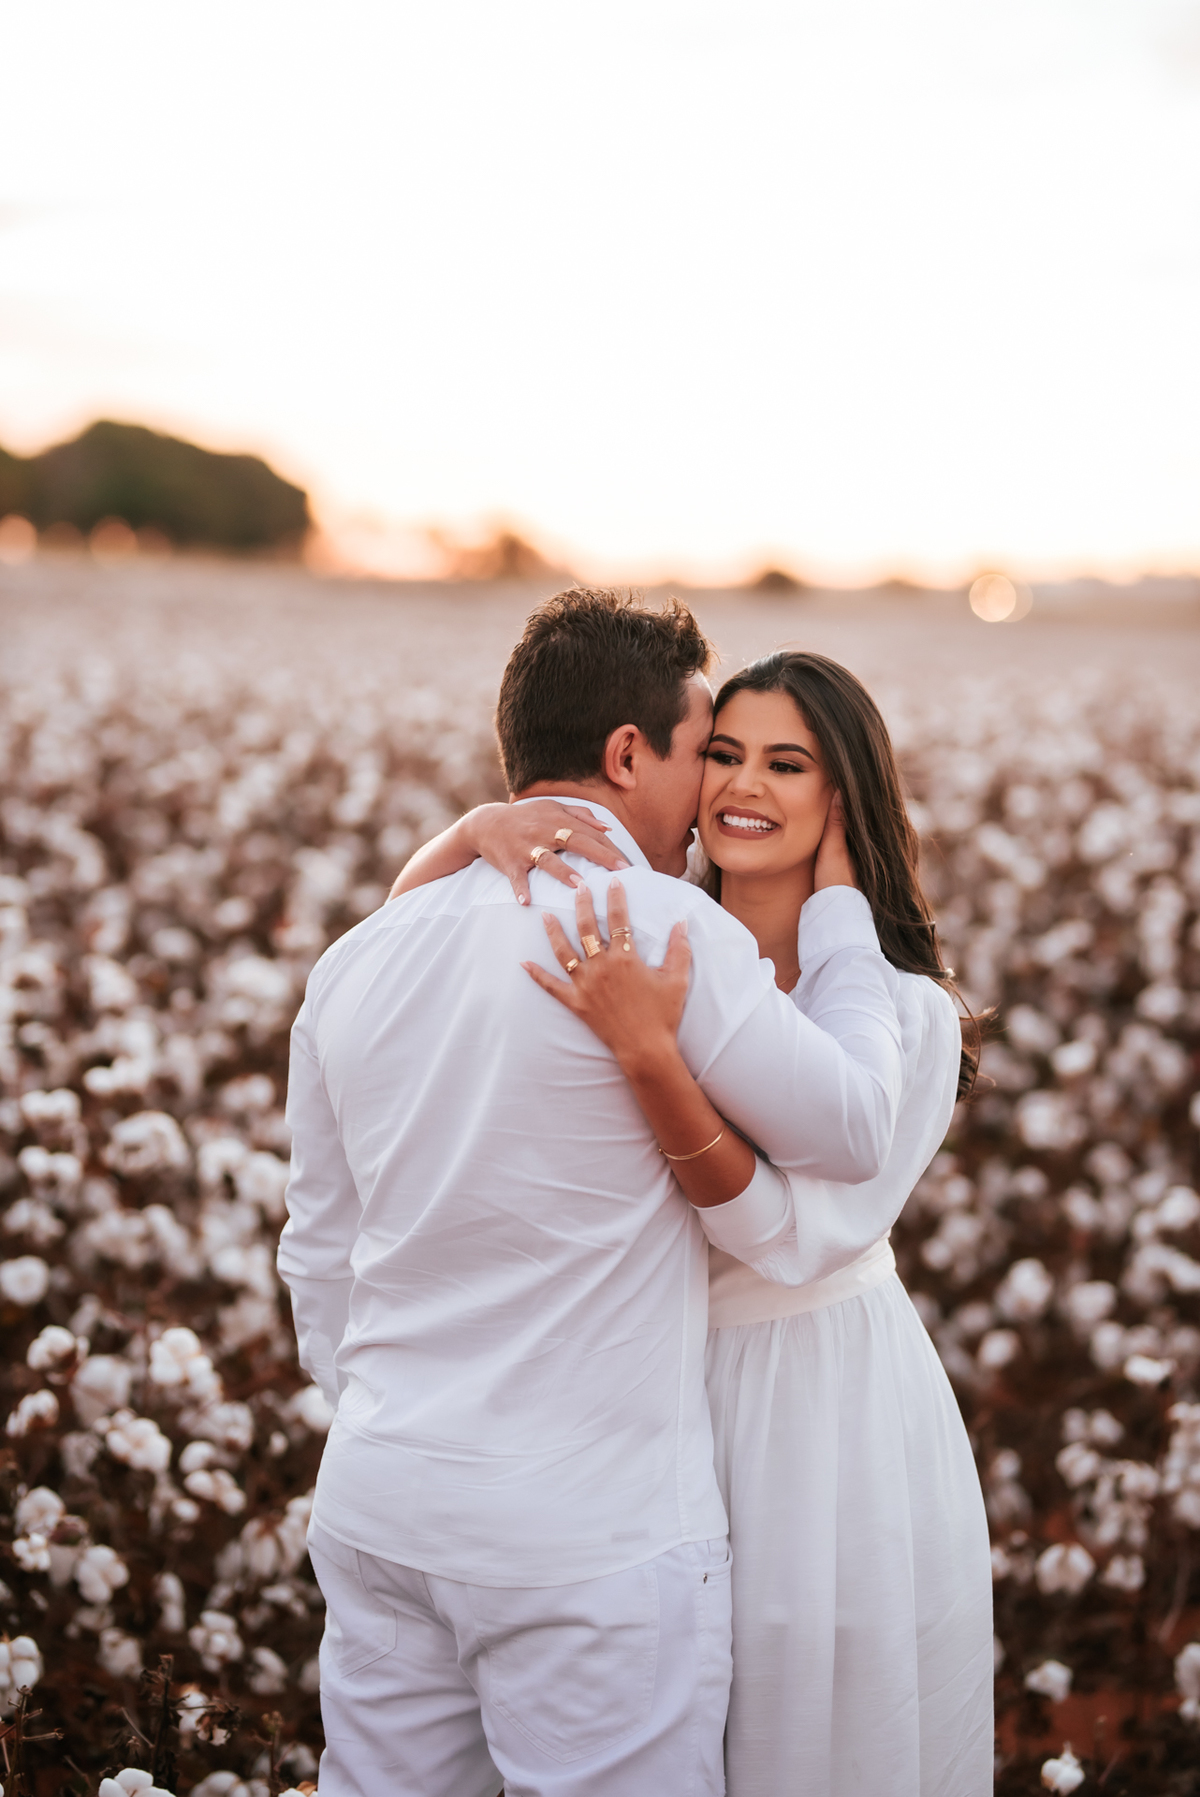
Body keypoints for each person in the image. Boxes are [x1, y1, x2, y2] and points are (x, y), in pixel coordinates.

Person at [280, 591, 908, 1797]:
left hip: (381, 1499)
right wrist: (837, 910)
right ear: (630, 755)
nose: (711, 796)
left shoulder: (358, 958)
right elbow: (855, 1124)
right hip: (588, 1536)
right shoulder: (662, 928)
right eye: (702, 751)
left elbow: (319, 1248)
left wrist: (384, 1413)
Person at [397, 647, 994, 1796]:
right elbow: (406, 964)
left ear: (844, 798)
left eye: (787, 763)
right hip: (644, 1397)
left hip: (818, 1416)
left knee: (802, 1734)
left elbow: (787, 1237)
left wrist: (654, 1056)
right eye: (722, 752)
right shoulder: (644, 942)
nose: (741, 787)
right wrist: (475, 832)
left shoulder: (906, 1014)